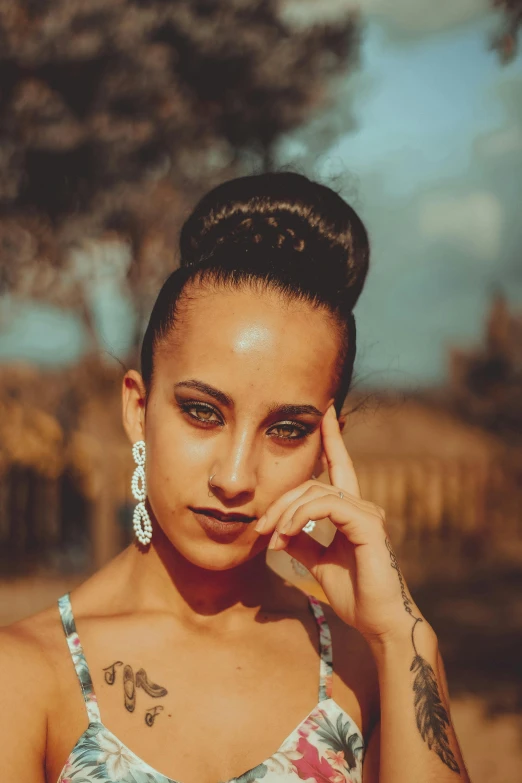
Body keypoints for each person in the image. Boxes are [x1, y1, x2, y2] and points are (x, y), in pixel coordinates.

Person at [0, 172, 470, 783]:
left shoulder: (371, 667)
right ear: (137, 410)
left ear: (329, 445)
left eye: (286, 429)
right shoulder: (28, 674)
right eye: (202, 412)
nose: (235, 476)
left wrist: (406, 637)